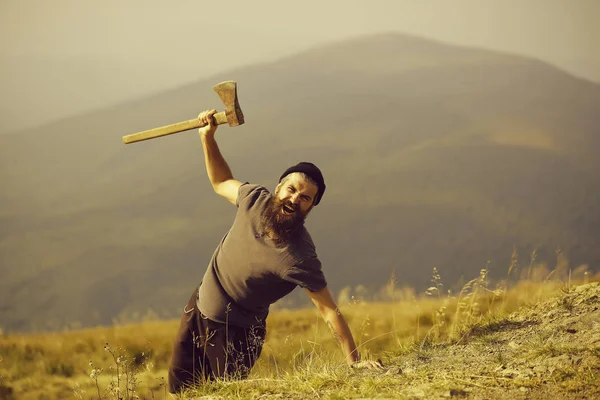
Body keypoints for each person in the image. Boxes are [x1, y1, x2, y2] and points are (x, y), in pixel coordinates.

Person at [168, 110, 382, 394]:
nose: (294, 199)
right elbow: (221, 181)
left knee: (223, 397)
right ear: (278, 187)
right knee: (178, 391)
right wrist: (207, 137)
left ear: (311, 207)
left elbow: (329, 311)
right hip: (197, 309)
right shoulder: (253, 199)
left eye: (305, 197)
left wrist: (353, 362)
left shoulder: (299, 256)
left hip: (237, 335)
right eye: (291, 189)